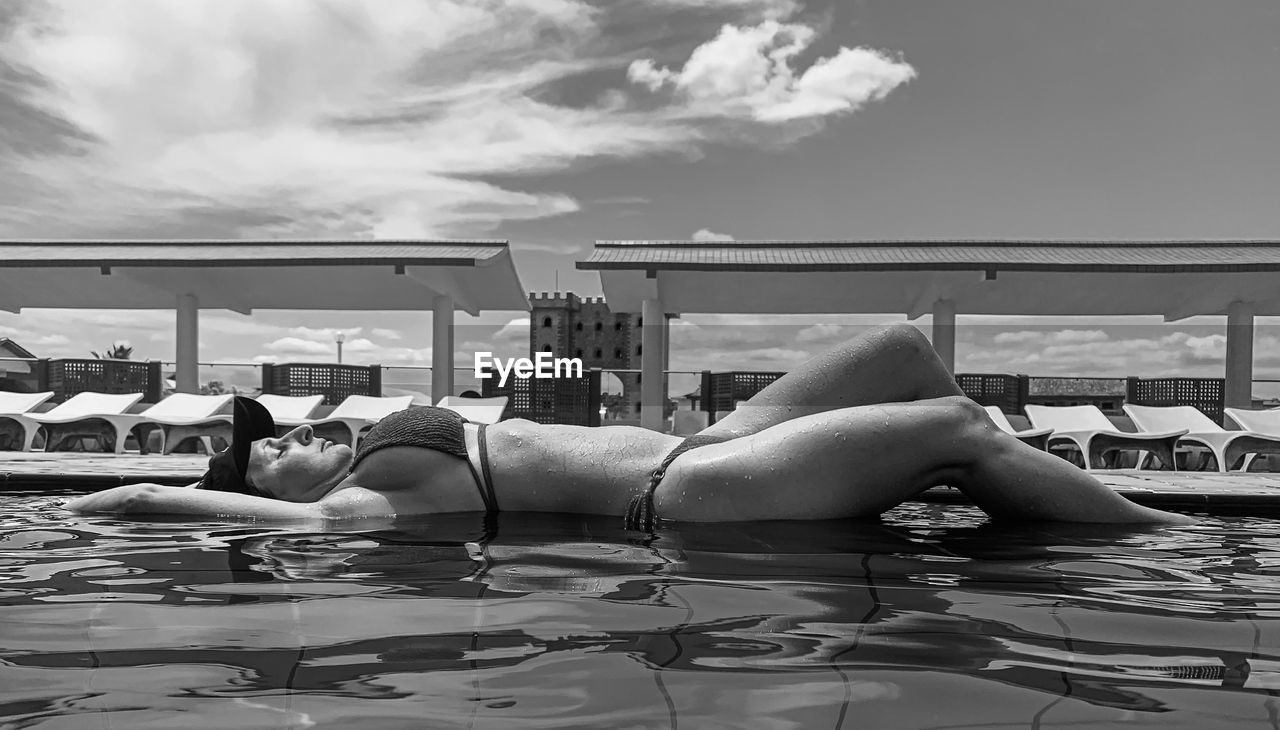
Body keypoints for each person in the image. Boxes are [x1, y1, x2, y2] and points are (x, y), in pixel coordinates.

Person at [66, 324, 1194, 526]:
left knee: (899, 350)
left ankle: (993, 495)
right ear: (272, 496)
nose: (285, 439)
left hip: (711, 443)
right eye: (267, 455)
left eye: (275, 432)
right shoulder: (368, 502)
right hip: (688, 496)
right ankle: (1155, 533)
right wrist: (132, 495)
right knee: (951, 419)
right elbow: (285, 529)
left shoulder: (371, 455)